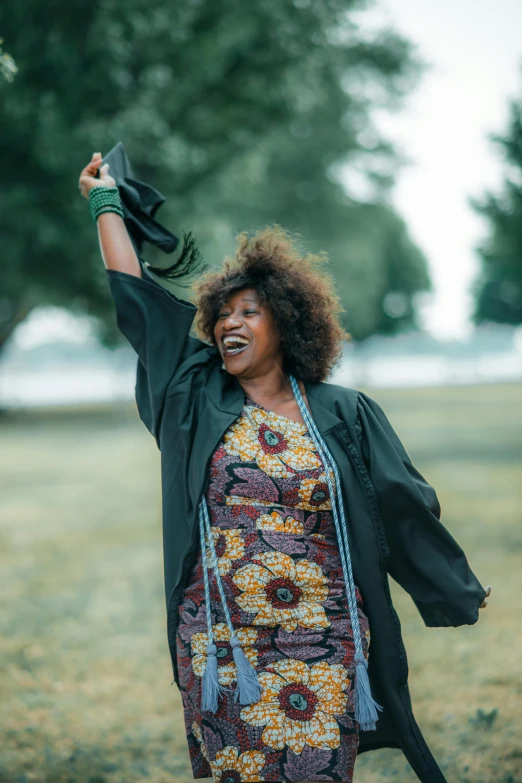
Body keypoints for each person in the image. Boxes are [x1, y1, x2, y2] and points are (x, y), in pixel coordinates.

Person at [79, 153, 491, 783]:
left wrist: (449, 584)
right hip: (223, 638)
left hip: (323, 632)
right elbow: (137, 301)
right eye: (223, 314)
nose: (228, 324)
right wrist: (105, 201)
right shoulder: (195, 398)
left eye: (249, 312)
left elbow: (402, 502)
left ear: (287, 322)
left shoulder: (342, 412)